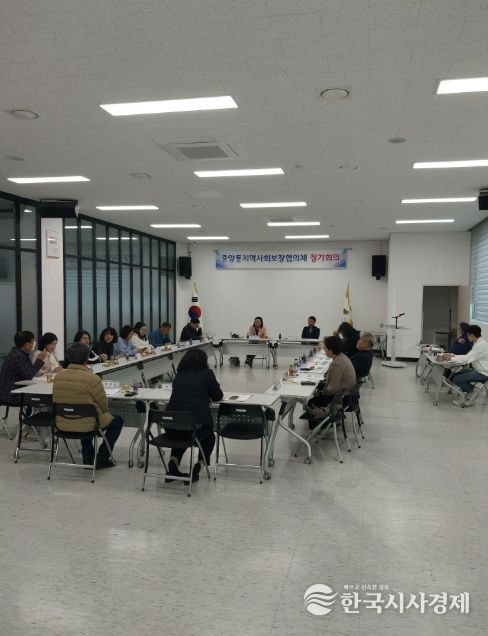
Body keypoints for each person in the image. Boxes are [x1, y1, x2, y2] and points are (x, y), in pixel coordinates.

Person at [53, 343, 123, 469]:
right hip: (88, 423)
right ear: (86, 360)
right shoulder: (92, 379)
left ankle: (87, 456)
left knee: (84, 412)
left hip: (62, 423)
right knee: (116, 420)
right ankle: (102, 457)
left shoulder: (58, 378)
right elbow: (103, 405)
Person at [164, 348, 223, 483]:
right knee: (208, 437)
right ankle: (198, 467)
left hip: (171, 428)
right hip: (193, 429)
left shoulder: (179, 374)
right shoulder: (207, 374)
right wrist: (206, 395)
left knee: (181, 431)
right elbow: (218, 395)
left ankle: (173, 464)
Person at [301, 335, 356, 427]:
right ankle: (323, 423)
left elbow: (333, 389)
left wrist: (319, 393)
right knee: (318, 390)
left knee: (311, 401)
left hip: (340, 398)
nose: (324, 350)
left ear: (331, 350)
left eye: (325, 348)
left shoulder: (337, 363)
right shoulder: (341, 357)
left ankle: (319, 427)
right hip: (344, 394)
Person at [443, 325, 488, 406]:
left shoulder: (480, 346)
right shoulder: (479, 343)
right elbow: (468, 356)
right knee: (456, 374)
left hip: (483, 373)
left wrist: (451, 358)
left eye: (468, 334)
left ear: (472, 335)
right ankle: (467, 390)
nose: (467, 336)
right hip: (479, 370)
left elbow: (467, 359)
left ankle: (471, 390)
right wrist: (453, 356)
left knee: (457, 379)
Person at [0, 331, 48, 406]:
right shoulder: (17, 356)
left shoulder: (19, 353)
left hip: (15, 389)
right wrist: (39, 360)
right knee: (45, 398)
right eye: (32, 342)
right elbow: (29, 375)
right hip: (11, 394)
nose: (34, 344)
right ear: (26, 344)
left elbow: (28, 371)